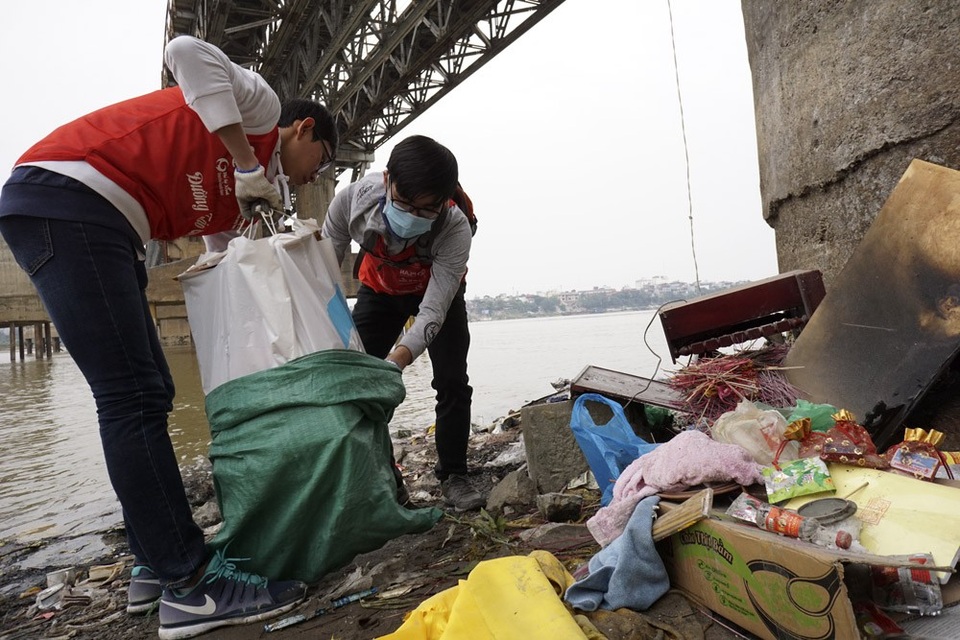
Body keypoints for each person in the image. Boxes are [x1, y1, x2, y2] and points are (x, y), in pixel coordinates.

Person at [0, 36, 337, 639]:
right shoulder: (257, 110)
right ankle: (190, 588)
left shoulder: (235, 194)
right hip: (71, 199)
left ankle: (154, 566)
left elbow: (221, 256)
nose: (318, 174)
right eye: (324, 158)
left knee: (148, 391)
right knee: (133, 396)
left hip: (95, 218)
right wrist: (248, 161)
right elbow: (185, 50)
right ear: (303, 129)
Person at [321, 135, 485, 512]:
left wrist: (397, 361)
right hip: (379, 290)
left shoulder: (454, 228)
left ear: (444, 201)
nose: (412, 216)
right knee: (355, 382)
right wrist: (335, 339)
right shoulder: (353, 201)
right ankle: (383, 475)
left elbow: (431, 313)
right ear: (388, 179)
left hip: (437, 295)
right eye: (403, 203)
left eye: (426, 210)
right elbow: (324, 277)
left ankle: (455, 474)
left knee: (452, 381)